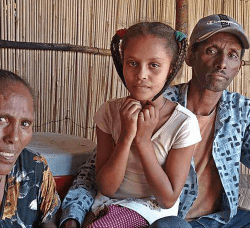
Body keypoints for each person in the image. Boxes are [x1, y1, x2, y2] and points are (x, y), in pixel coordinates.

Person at [60, 14, 250, 228]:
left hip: (219, 219)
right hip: (171, 220)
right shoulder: (150, 102)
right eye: (211, 51)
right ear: (189, 57)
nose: (222, 63)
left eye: (232, 55)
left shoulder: (242, 111)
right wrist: (73, 215)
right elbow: (94, 172)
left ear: (240, 65)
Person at [61, 22, 202, 228]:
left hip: (152, 212)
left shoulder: (183, 123)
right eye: (132, 63)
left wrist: (143, 141)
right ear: (121, 64)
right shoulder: (109, 112)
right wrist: (126, 136)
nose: (141, 74)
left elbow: (167, 199)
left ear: (171, 68)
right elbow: (107, 188)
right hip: (106, 206)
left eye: (154, 65)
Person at [0, 69, 60, 228]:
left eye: (25, 124)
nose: (14, 137)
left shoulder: (33, 170)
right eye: (1, 119)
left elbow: (48, 220)